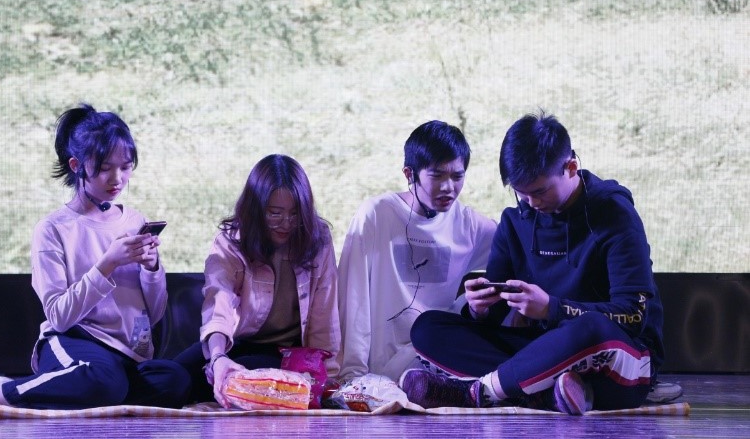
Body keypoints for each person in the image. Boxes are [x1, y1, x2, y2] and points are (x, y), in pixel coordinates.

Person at [400, 110, 665, 415]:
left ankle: (478, 392)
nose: (532, 203)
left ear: (571, 167)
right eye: (521, 193)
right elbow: (496, 315)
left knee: (589, 327)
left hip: (617, 355)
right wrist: (479, 308)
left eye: (539, 191)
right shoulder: (515, 222)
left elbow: (633, 315)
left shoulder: (614, 213)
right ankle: (547, 394)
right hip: (544, 354)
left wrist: (552, 308)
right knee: (428, 328)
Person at [0, 104, 191, 409]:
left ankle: (89, 390)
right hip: (74, 340)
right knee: (103, 381)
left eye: (126, 167)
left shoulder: (135, 220)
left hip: (127, 353)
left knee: (175, 381)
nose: (117, 179)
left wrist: (152, 269)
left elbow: (156, 312)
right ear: (76, 165)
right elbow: (59, 316)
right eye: (105, 168)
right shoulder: (53, 229)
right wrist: (107, 263)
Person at [337, 120, 498, 382]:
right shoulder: (377, 214)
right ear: (409, 174)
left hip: (436, 358)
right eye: (437, 176)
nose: (448, 187)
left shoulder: (468, 224)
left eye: (457, 177)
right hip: (379, 369)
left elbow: (514, 248)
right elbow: (353, 296)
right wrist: (352, 374)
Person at [174, 154, 340, 407]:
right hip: (235, 343)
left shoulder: (317, 240)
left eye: (295, 214)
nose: (286, 223)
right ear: (256, 209)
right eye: (275, 213)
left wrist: (325, 381)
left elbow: (324, 317)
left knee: (239, 377)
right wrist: (217, 358)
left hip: (286, 354)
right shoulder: (231, 241)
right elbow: (218, 303)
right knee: (171, 377)